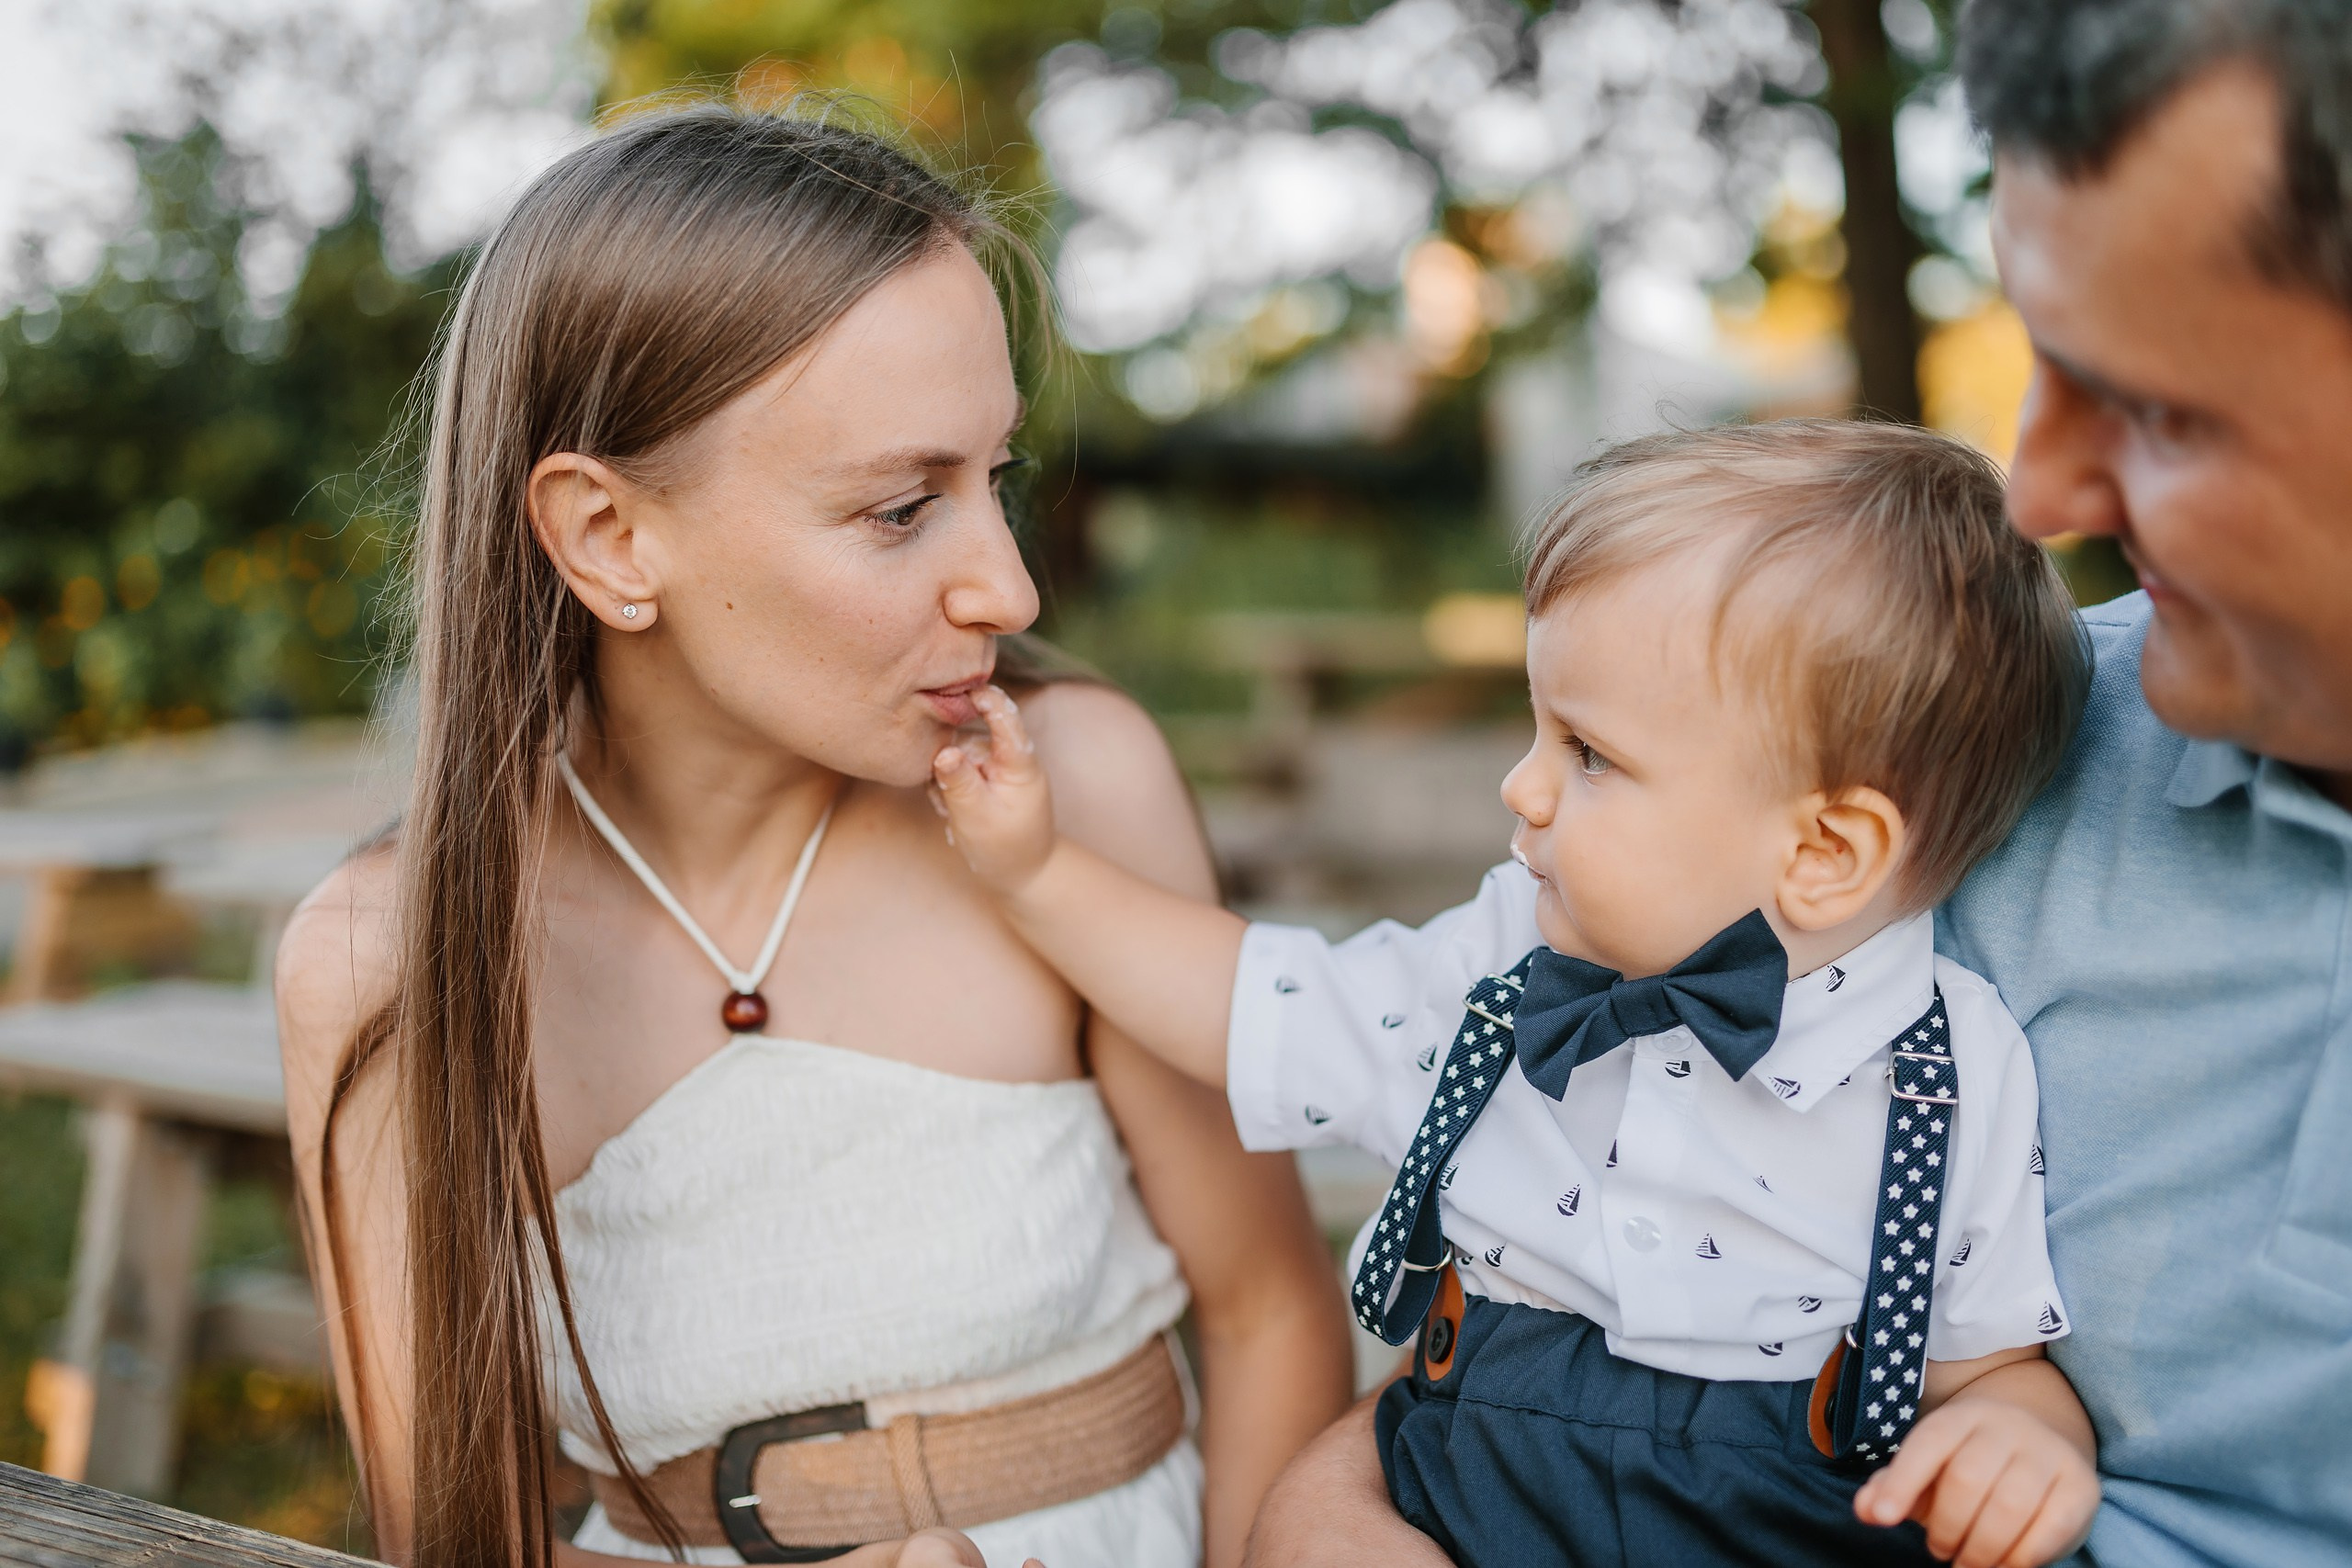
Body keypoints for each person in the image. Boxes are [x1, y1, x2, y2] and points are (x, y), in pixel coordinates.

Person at [1240, 3, 2352, 1565]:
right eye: (2050, 362)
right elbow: (1579, 1297)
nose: (2042, 489)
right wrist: (1340, 1505)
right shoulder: (1990, 737)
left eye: (2165, 407)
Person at [272, 107, 1352, 1568]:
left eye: (997, 479)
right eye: (903, 507)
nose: (1012, 589)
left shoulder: (1072, 791)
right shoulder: (383, 956)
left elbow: (1271, 1307)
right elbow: (457, 1532)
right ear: (609, 537)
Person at [928, 420, 2104, 1567]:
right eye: (1539, 732)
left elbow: (1987, 1361)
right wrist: (1039, 874)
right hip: (1458, 1493)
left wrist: (2020, 1439)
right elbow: (1253, 1006)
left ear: (1824, 852)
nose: (1523, 786)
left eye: (1587, 753)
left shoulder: (1945, 1071)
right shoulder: (1499, 964)